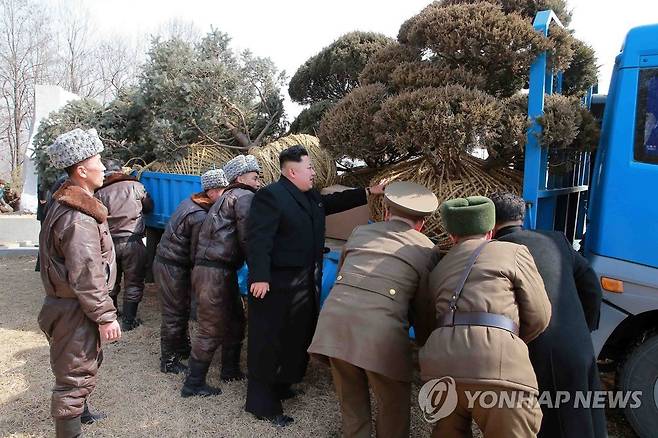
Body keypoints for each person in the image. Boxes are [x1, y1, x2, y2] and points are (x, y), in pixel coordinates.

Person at [245, 145, 385, 426]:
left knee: (296, 335)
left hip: (304, 281)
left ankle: (283, 383)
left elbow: (333, 203)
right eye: (308, 167)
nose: (313, 172)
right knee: (269, 339)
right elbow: (258, 239)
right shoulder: (270, 196)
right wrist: (259, 276)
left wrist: (369, 192)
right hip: (275, 283)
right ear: (292, 171)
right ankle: (262, 403)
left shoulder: (309, 197)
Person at [308, 181, 440, 438]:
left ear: (387, 212)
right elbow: (423, 304)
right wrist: (426, 342)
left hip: (336, 324)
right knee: (393, 401)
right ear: (421, 223)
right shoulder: (426, 248)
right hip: (381, 334)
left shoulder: (359, 233)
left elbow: (341, 274)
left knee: (351, 399)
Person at [416, 196, 551, 438]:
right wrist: (506, 340)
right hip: (498, 369)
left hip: (440, 368)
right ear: (491, 230)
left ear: (451, 236)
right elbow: (540, 315)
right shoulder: (513, 252)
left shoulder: (438, 268)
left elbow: (425, 326)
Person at [490, 192, 607, 438]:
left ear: (491, 220)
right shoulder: (557, 240)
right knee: (587, 419)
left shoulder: (495, 252)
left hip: (540, 353)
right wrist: (583, 328)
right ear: (522, 217)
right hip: (579, 346)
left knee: (554, 425)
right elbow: (591, 286)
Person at [37, 128, 122, 437]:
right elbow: (87, 273)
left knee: (81, 366)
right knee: (72, 380)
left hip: (70, 306)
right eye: (98, 160)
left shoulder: (72, 204)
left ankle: (81, 414)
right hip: (75, 310)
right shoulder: (78, 216)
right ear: (82, 170)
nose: (104, 167)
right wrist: (105, 316)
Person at [182, 155, 262, 397]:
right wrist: (259, 270)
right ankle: (193, 384)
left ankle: (230, 369)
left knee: (236, 321)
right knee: (210, 328)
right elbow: (248, 236)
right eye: (255, 177)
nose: (259, 181)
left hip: (216, 270)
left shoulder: (227, 196)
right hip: (215, 272)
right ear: (240, 178)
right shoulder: (244, 196)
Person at [154, 168, 229, 374]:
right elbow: (198, 252)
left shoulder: (192, 203)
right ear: (211, 191)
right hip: (173, 267)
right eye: (222, 190)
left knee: (181, 310)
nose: (226, 194)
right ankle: (168, 361)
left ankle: (182, 349)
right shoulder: (199, 215)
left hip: (171, 264)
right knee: (174, 314)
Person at [95, 159, 153, 330]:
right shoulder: (136, 186)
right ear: (121, 170)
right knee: (134, 281)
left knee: (110, 280)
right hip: (132, 241)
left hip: (109, 243)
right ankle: (129, 320)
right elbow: (149, 207)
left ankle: (112, 314)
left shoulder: (99, 192)